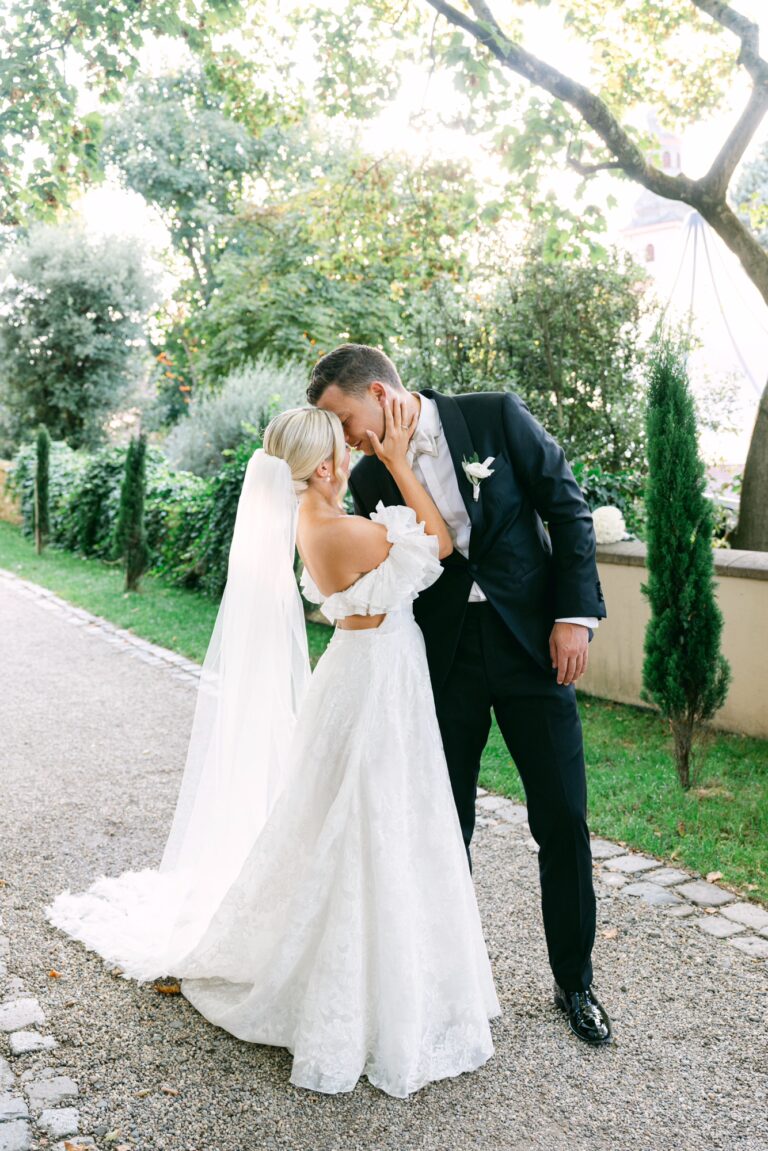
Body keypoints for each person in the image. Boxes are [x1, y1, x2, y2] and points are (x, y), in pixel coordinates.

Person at [46, 403, 500, 1097]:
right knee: (371, 822)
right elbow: (437, 541)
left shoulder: (306, 525)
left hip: (354, 676)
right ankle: (369, 987)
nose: (353, 457)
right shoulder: (351, 530)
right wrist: (404, 463)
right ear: (325, 467)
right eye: (344, 453)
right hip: (378, 684)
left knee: (335, 819)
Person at [308, 343, 613, 1047]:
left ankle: (576, 981)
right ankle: (445, 987)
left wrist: (575, 616)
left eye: (347, 419)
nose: (345, 438)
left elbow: (567, 508)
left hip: (534, 647)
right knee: (445, 824)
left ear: (382, 394)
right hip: (441, 663)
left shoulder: (496, 417)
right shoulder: (365, 482)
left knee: (562, 815)